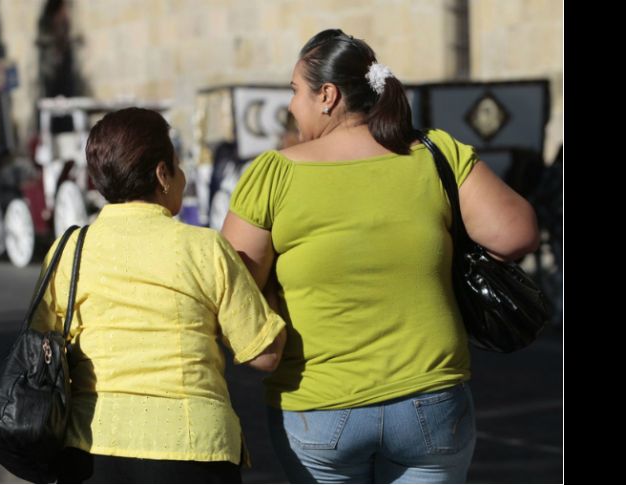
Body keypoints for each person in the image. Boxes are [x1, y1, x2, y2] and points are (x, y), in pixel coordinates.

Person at [221, 29, 539, 483]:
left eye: (295, 92)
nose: (291, 105)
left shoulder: (274, 174)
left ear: (327, 96)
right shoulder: (435, 152)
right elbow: (516, 234)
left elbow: (233, 284)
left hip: (320, 405)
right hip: (431, 402)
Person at [31, 107, 287, 483]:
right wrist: (272, 287)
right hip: (194, 447)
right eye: (177, 166)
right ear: (161, 175)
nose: (182, 176)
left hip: (92, 448)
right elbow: (265, 355)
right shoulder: (205, 248)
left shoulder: (69, 250)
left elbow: (39, 348)